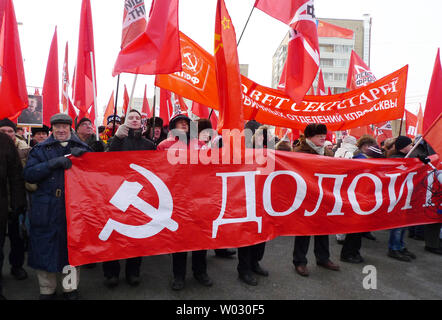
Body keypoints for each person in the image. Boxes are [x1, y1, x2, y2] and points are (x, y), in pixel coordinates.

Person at [23, 113, 92, 300]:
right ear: (52, 129)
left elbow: (95, 178)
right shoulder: (39, 150)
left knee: (72, 250)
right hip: (46, 207)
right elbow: (29, 174)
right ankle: (47, 289)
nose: (61, 130)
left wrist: (86, 157)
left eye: (65, 126)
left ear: (70, 128)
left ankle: (70, 288)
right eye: (57, 126)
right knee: (45, 249)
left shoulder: (83, 148)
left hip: (73, 208)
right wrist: (51, 164)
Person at [157, 113, 212, 290]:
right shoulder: (164, 146)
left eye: (186, 123)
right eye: (179, 123)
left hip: (199, 197)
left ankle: (200, 272)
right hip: (176, 199)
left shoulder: (201, 145)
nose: (183, 125)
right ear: (173, 127)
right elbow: (157, 170)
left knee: (200, 237)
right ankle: (179, 276)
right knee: (179, 239)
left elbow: (210, 168)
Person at [103, 109, 156, 288]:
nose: (134, 120)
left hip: (140, 194)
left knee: (136, 234)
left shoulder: (149, 144)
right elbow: (107, 161)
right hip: (116, 193)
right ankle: (111, 273)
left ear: (142, 123)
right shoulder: (115, 140)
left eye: (137, 118)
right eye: (131, 118)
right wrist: (117, 139)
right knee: (114, 235)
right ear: (125, 122)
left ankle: (133, 271)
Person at [292, 123, 340, 277]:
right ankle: (299, 262)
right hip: (305, 196)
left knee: (323, 229)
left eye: (323, 134)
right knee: (304, 231)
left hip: (324, 196)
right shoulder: (299, 151)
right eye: (318, 135)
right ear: (309, 136)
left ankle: (323, 258)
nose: (322, 137)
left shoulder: (327, 151)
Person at [196, 118, 237, 259]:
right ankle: (205, 249)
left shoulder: (216, 142)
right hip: (201, 188)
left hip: (216, 186)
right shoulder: (194, 145)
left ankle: (220, 247)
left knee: (218, 217)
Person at [236, 126, 271, 286]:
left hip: (264, 200)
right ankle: (244, 269)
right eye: (259, 137)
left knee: (261, 236)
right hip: (247, 200)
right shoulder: (243, 153)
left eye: (265, 138)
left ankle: (255, 263)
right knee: (247, 236)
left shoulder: (272, 154)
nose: (262, 140)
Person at [340, 145, 385, 264]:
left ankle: (354, 251)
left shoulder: (364, 163)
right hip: (357, 201)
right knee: (354, 230)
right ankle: (347, 253)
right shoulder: (361, 164)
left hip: (362, 201)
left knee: (358, 230)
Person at [0, 119, 30, 281]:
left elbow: (20, 177)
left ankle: (17, 266)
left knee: (17, 238)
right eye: (3, 131)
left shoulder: (27, 149)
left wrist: (20, 203)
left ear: (16, 132)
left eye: (10, 131)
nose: (6, 135)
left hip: (17, 201)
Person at [386, 136, 417, 262]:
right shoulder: (396, 160)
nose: (412, 147)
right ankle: (393, 248)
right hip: (397, 196)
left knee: (404, 224)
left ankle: (400, 246)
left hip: (405, 196)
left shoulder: (407, 159)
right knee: (397, 225)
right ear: (404, 147)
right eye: (410, 145)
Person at [334, 135, 358, 244]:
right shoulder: (351, 153)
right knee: (345, 210)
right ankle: (342, 235)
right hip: (348, 183)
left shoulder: (338, 151)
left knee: (340, 208)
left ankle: (339, 234)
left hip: (338, 182)